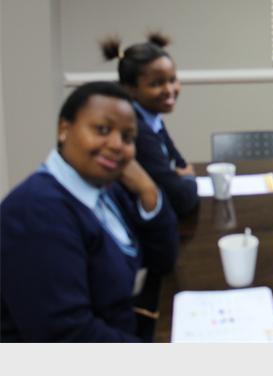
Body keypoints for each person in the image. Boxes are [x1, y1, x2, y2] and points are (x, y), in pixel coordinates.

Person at [0, 81, 178, 341]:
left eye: (127, 137)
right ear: (64, 129)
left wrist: (147, 189)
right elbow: (67, 336)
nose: (117, 144)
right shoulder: (35, 212)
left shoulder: (103, 188)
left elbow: (163, 258)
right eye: (102, 129)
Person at [100, 33, 198, 217]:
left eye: (172, 80)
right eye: (156, 84)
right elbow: (181, 200)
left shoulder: (151, 117)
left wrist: (180, 176)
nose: (169, 90)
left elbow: (178, 162)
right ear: (130, 89)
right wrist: (189, 178)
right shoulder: (136, 130)